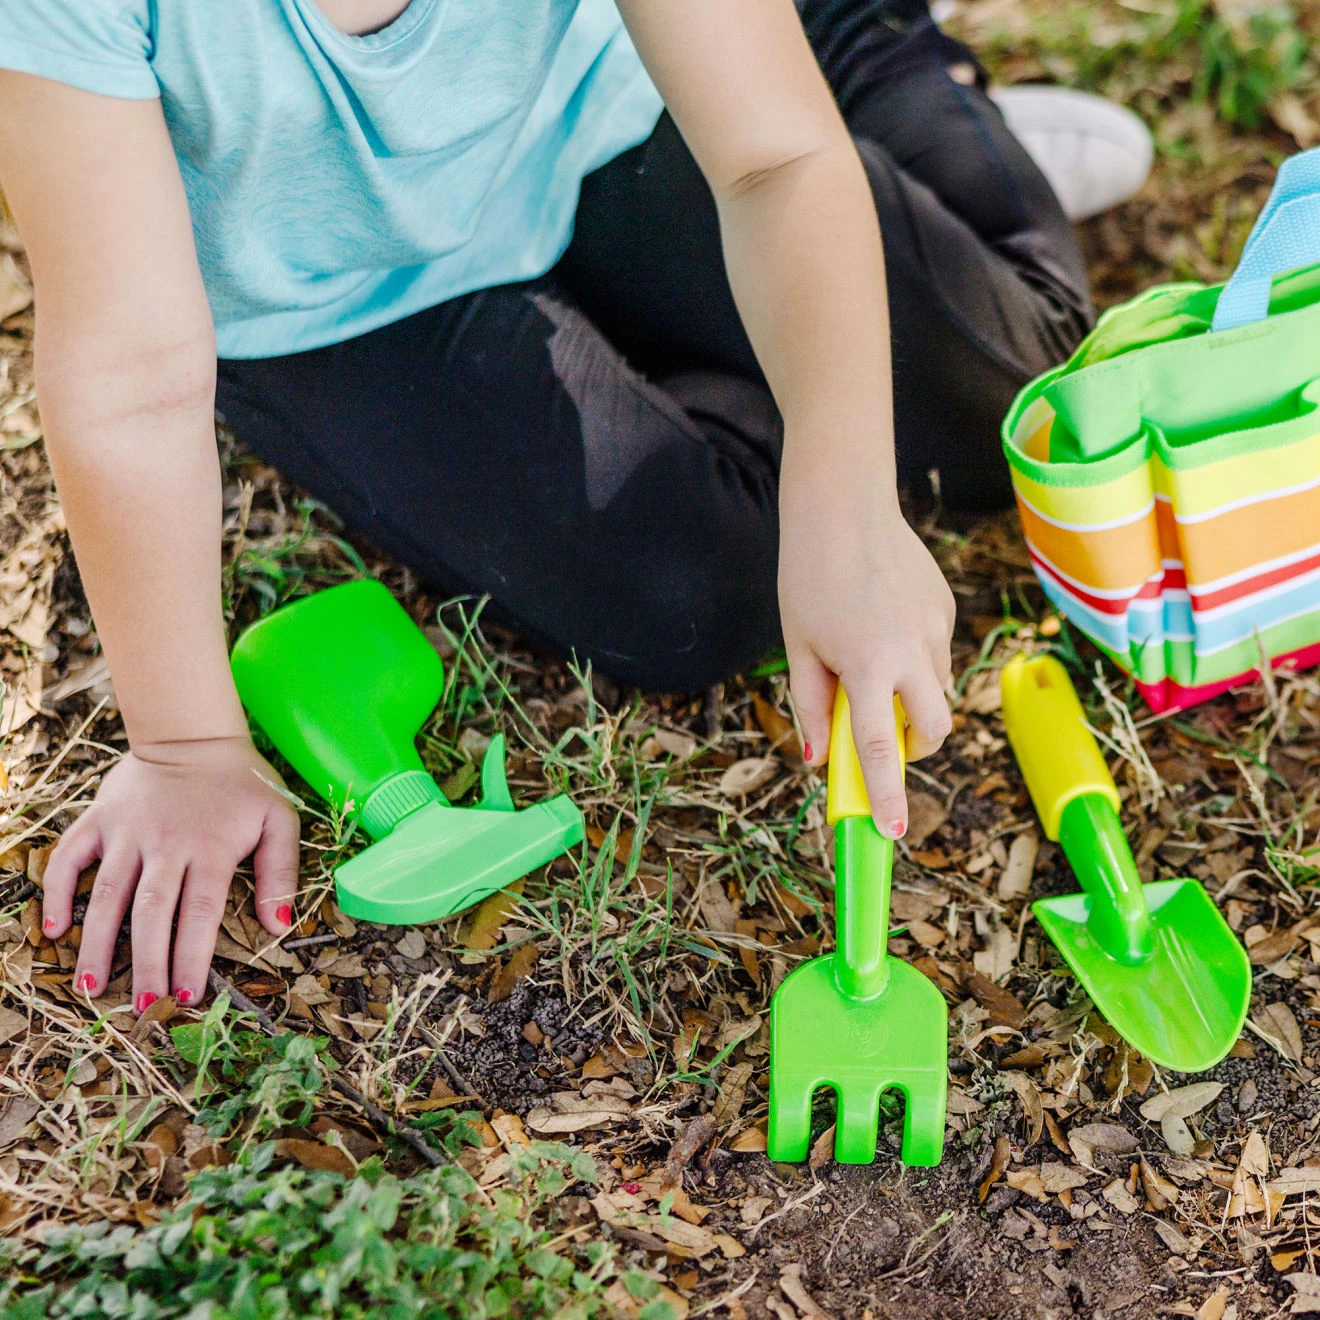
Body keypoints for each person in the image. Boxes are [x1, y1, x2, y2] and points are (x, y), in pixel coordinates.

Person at [0, 0, 1147, 1012]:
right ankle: (775, 298)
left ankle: (848, 44)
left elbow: (776, 164)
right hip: (324, 281)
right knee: (699, 592)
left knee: (1014, 403)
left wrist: (845, 498)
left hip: (600, 106)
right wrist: (187, 745)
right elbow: (132, 378)